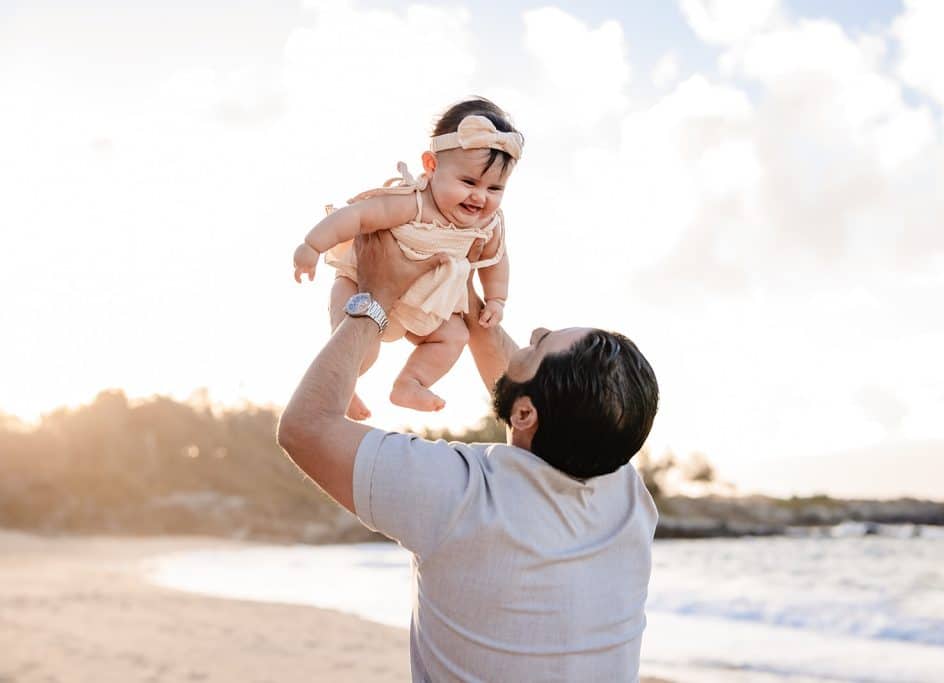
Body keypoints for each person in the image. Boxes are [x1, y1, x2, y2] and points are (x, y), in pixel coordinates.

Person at [277, 231, 661, 682]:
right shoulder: (626, 495)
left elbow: (306, 428)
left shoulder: (461, 493)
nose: (532, 333)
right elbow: (533, 407)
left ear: (524, 414)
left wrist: (374, 300)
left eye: (538, 344)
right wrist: (470, 295)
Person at [291, 98, 523, 419]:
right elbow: (357, 217)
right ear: (431, 165)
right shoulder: (411, 203)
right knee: (361, 348)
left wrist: (496, 299)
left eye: (495, 188)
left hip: (426, 304)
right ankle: (343, 386)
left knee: (455, 336)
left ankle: (410, 383)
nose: (479, 196)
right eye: (468, 182)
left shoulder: (488, 224)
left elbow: (497, 260)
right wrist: (312, 245)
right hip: (362, 285)